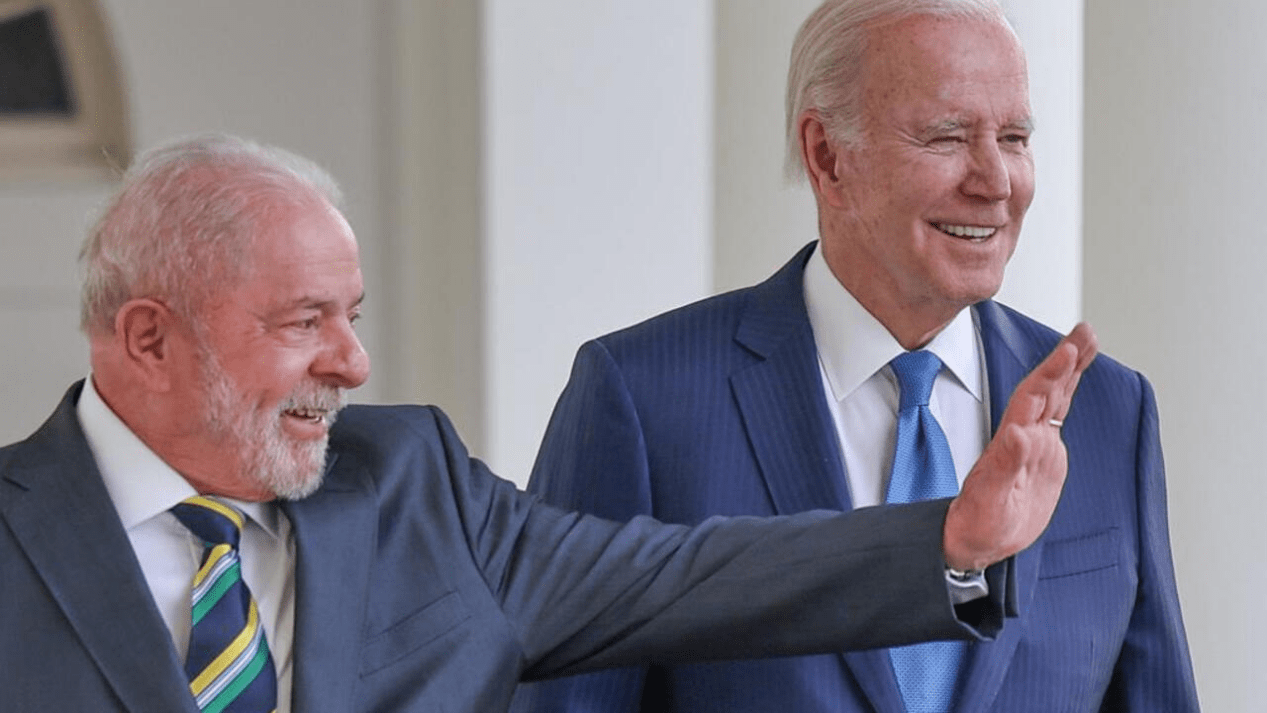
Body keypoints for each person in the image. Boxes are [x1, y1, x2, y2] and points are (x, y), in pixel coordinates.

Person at [0, 133, 1095, 712]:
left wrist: (948, 540)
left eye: (352, 316)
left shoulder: (411, 480)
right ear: (149, 339)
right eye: (302, 322)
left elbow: (685, 575)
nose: (352, 362)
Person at [511, 1, 1199, 712]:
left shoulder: (1108, 411)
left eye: (1014, 137)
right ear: (827, 157)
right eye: (946, 136)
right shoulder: (644, 401)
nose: (995, 181)